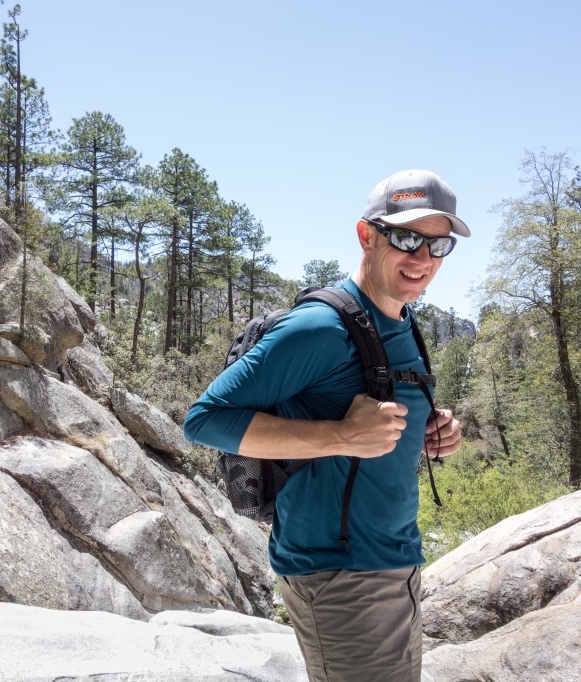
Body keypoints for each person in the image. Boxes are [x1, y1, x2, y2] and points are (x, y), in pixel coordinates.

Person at [184, 169, 467, 681]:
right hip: (339, 575)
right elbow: (204, 420)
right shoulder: (319, 328)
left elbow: (373, 412)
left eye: (438, 245)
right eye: (406, 238)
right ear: (366, 236)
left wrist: (431, 428)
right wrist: (341, 437)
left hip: (393, 560)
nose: (422, 259)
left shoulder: (402, 319)